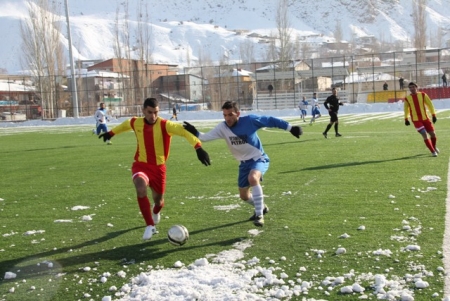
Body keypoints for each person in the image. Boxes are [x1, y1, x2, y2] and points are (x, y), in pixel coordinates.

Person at [98, 98, 211, 240]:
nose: (153, 116)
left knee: (159, 201)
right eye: (150, 112)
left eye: (156, 112)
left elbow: (184, 132)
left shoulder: (165, 125)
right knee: (140, 188)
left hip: (159, 169)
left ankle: (156, 212)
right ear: (143, 110)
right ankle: (150, 226)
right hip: (141, 165)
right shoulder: (136, 122)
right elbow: (126, 124)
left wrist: (198, 147)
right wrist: (110, 133)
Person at [183, 101, 302, 227]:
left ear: (238, 114)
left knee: (253, 178)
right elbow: (205, 137)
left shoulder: (250, 120)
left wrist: (290, 128)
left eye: (230, 115)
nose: (227, 118)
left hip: (258, 159)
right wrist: (194, 131)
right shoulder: (223, 128)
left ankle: (259, 215)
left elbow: (270, 120)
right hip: (243, 164)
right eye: (225, 115)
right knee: (244, 196)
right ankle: (262, 207)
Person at [404, 82, 439, 157]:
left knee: (433, 134)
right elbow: (406, 109)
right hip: (416, 120)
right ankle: (433, 151)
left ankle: (434, 147)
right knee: (424, 134)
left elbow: (430, 105)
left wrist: (433, 115)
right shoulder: (407, 98)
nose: (412, 89)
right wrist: (406, 118)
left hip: (425, 118)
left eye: (413, 87)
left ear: (416, 87)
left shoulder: (423, 95)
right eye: (410, 87)